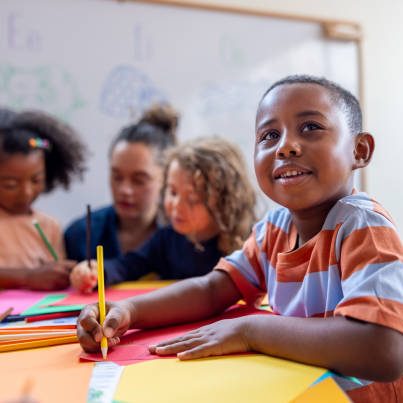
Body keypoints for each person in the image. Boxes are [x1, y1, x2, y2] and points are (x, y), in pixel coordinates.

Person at [76, 75, 403, 400]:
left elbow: (383, 348)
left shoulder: (361, 226)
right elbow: (212, 289)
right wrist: (130, 311)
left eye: (311, 127)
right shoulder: (274, 228)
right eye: (270, 135)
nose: (286, 145)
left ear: (359, 150)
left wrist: (251, 330)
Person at [70, 136, 256, 292]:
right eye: (173, 192)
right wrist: (97, 271)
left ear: (224, 202)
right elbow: (127, 265)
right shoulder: (166, 239)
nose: (176, 205)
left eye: (192, 199)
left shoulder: (248, 243)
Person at [64, 103, 179, 261]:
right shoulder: (81, 235)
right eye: (116, 177)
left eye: (139, 180)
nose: (124, 190)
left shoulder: (185, 236)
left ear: (166, 179)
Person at [0, 109, 86, 290]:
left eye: (36, 180)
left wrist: (76, 274)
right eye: (10, 184)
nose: (26, 192)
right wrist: (28, 277)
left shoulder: (50, 227)